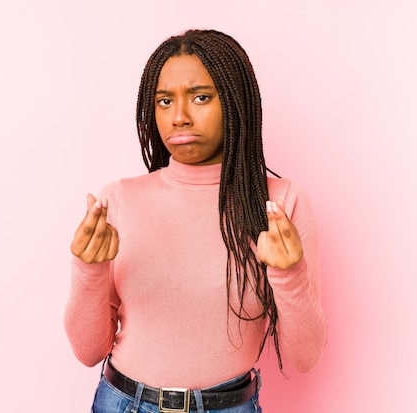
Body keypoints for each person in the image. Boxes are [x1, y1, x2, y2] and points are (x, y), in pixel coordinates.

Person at [64, 29, 327, 413]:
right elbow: (88, 352)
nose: (180, 117)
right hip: (124, 403)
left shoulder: (280, 204)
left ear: (236, 102)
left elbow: (305, 358)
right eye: (165, 101)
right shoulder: (117, 199)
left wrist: (290, 274)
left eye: (201, 97)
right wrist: (89, 269)